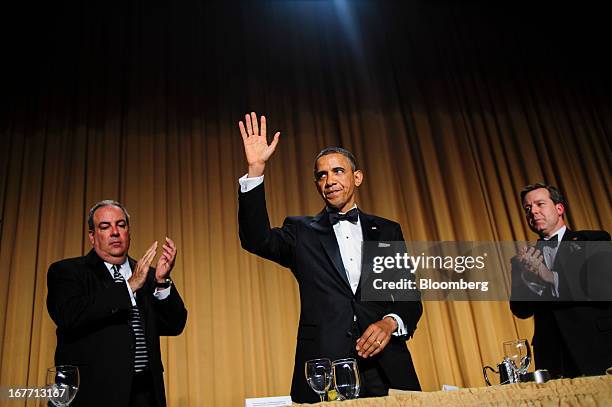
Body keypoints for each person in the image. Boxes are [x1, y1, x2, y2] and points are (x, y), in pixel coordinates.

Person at [237, 112, 422, 403]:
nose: (329, 180)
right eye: (321, 175)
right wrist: (256, 170)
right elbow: (255, 239)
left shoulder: (387, 230)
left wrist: (390, 322)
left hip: (385, 365)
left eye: (338, 171)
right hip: (324, 370)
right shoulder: (300, 231)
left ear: (357, 177)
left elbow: (408, 295)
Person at [47, 200, 187, 407]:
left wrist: (161, 282)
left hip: (145, 392)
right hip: (93, 392)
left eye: (121, 225)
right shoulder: (67, 271)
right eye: (105, 227)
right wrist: (128, 287)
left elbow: (174, 325)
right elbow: (68, 316)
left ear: (128, 232)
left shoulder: (147, 274)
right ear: (92, 236)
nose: (115, 232)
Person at [510, 183, 612, 378]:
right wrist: (531, 281)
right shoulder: (522, 259)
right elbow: (521, 310)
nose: (534, 211)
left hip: (598, 347)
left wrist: (549, 277)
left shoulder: (593, 240)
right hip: (553, 358)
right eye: (528, 208)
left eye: (540, 204)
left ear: (559, 208)